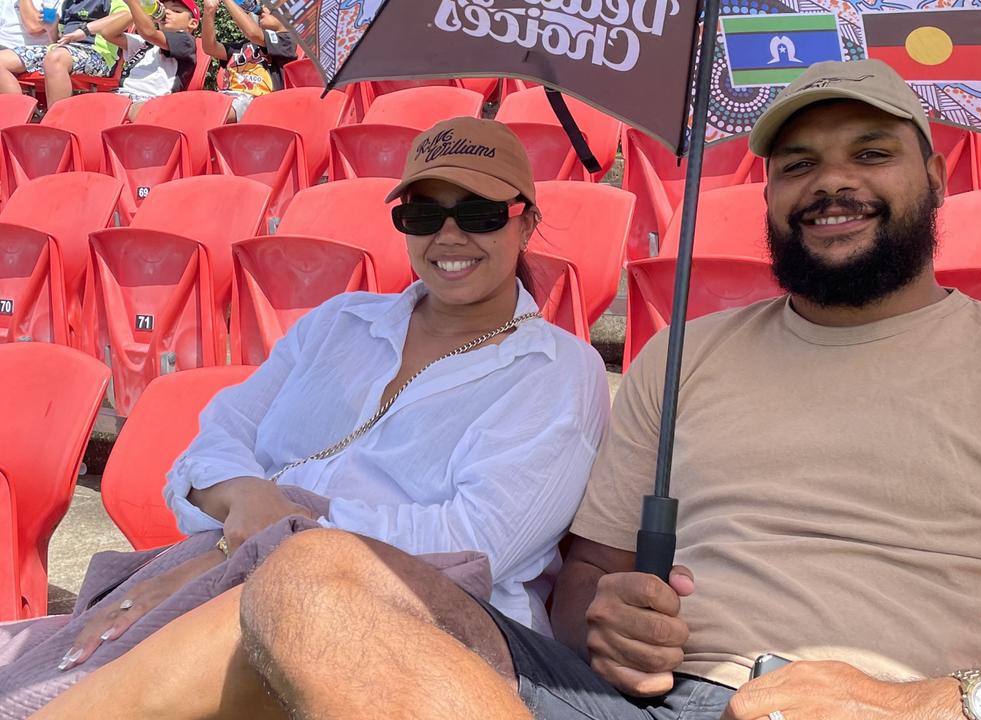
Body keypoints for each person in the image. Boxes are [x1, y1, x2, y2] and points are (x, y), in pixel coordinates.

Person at [33, 60, 981, 720]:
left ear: (931, 182)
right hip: (646, 707)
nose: (830, 185)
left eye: (869, 154)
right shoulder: (684, 358)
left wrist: (951, 704)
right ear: (763, 195)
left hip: (886, 706)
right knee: (308, 576)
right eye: (796, 165)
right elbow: (573, 591)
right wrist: (605, 619)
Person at [10, 116, 608, 717]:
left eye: (479, 214)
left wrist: (261, 536)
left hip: (411, 628)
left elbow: (476, 544)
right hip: (229, 580)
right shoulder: (340, 321)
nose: (448, 236)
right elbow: (213, 445)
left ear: (526, 220)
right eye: (423, 216)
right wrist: (245, 499)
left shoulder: (558, 372)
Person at [0, 0, 128, 107]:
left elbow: (127, 15)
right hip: (63, 51)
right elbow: (58, 40)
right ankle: (19, 118)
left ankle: (57, 123)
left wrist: (85, 30)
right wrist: (51, 29)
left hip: (97, 55)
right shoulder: (68, 3)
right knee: (2, 60)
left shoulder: (107, 1)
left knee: (56, 58)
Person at [101, 0, 197, 120]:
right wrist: (140, 9)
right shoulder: (143, 43)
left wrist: (134, 3)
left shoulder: (186, 41)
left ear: (192, 24)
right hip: (122, 95)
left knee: (135, 111)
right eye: (165, 8)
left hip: (153, 101)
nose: (167, 12)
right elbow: (108, 33)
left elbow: (149, 33)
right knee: (91, 106)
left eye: (176, 11)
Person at [200, 0, 293, 122]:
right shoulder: (245, 46)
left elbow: (253, 33)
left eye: (271, 9)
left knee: (210, 114)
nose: (263, 10)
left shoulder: (288, 41)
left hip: (258, 101)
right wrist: (209, 11)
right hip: (226, 95)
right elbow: (210, 48)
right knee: (194, 107)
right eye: (264, 7)